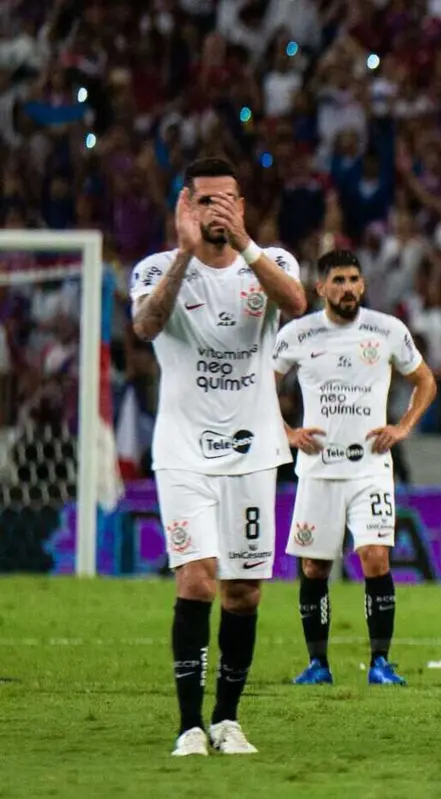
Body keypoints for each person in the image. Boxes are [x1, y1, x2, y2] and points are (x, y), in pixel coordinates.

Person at [130, 157, 308, 756]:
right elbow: (146, 327)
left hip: (255, 452)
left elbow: (297, 303)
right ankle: (188, 727)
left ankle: (227, 720)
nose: (217, 211)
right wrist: (183, 255)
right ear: (185, 206)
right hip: (183, 453)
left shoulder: (272, 261)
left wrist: (245, 244)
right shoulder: (156, 269)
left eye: (227, 200)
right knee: (198, 580)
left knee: (244, 593)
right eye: (205, 201)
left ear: (242, 205)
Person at [273, 249, 437, 687]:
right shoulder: (297, 334)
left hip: (370, 468)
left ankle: (380, 663)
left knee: (376, 558)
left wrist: (403, 427)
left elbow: (425, 381)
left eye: (353, 280)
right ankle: (318, 665)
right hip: (317, 469)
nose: (347, 288)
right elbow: (261, 386)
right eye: (338, 280)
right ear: (320, 288)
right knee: (314, 569)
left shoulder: (387, 330)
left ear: (363, 285)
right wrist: (286, 432)